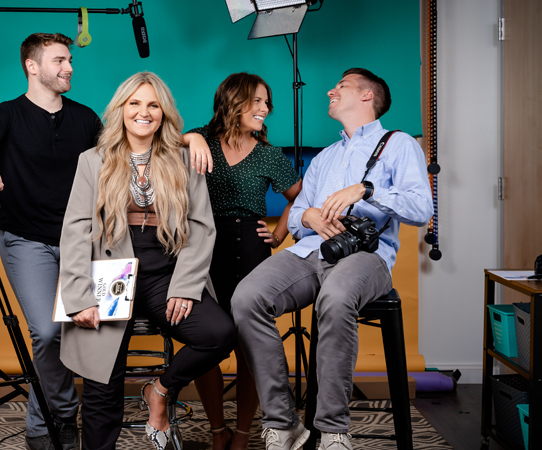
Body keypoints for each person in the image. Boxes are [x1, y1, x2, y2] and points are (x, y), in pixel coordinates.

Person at [0, 34, 212, 450]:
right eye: (59, 60)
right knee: (48, 331)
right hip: (30, 240)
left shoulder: (85, 117)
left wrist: (192, 138)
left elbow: (139, 133)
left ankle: (68, 416)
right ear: (32, 66)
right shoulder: (6, 114)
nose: (69, 67)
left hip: (94, 244)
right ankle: (56, 417)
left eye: (70, 59)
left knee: (88, 331)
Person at [231, 68, 433, 450]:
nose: (330, 90)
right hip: (310, 251)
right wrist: (304, 216)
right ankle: (283, 423)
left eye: (340, 86)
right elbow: (296, 214)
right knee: (246, 298)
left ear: (367, 96)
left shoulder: (400, 144)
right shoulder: (325, 157)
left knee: (336, 297)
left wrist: (367, 190)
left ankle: (333, 431)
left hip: (366, 256)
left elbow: (421, 209)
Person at [58, 71, 236, 450]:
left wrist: (186, 286)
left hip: (166, 275)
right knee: (102, 381)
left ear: (164, 112)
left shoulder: (185, 158)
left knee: (218, 334)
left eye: (153, 104)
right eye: (134, 103)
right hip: (110, 276)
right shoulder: (92, 160)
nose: (144, 112)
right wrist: (80, 295)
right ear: (120, 109)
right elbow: (74, 231)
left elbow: (202, 226)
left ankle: (160, 389)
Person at [186, 73, 302, 450]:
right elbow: (167, 141)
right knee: (206, 343)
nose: (265, 109)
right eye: (257, 101)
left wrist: (281, 231)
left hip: (253, 251)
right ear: (233, 101)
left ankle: (243, 433)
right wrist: (191, 138)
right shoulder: (201, 140)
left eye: (267, 102)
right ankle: (217, 430)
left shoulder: (269, 154)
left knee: (251, 345)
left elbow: (301, 196)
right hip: (205, 248)